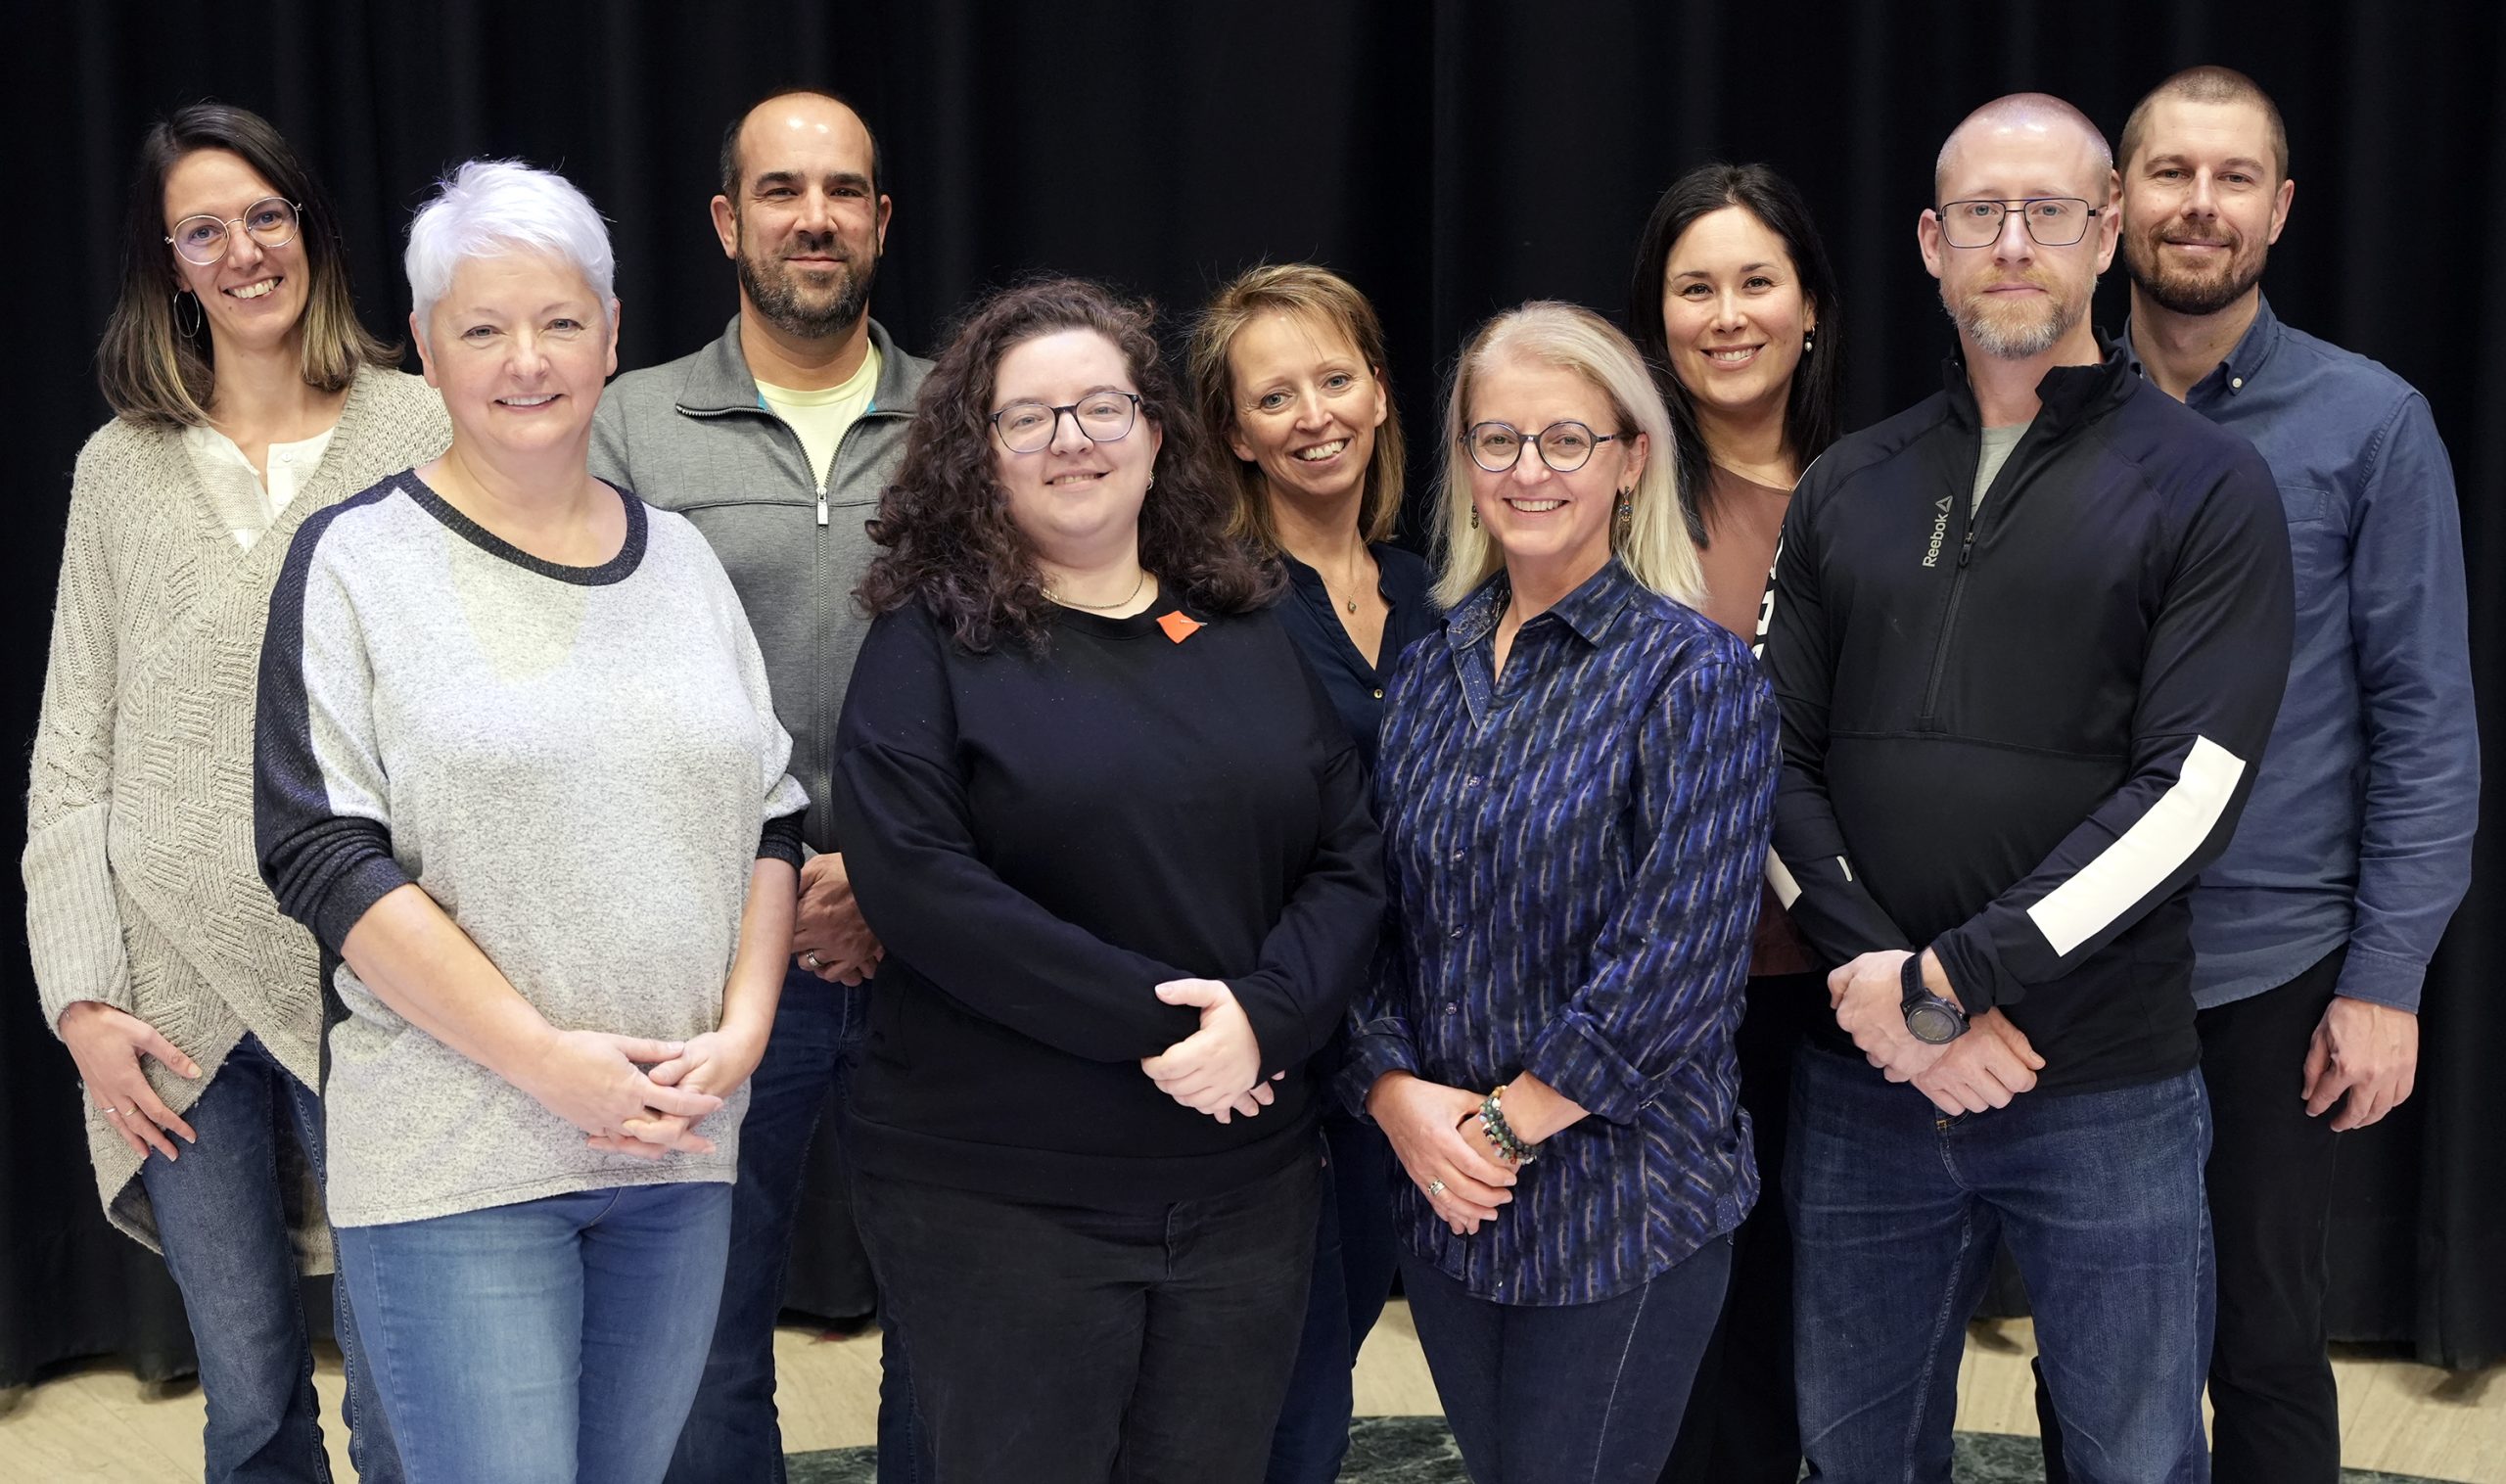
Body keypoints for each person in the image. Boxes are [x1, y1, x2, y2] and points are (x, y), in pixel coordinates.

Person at [1758, 93, 2294, 1484]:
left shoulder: (2210, 487)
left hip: (2099, 1082)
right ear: (1931, 244)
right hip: (1865, 1082)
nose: (2014, 241)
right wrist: (1889, 985)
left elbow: (2195, 790)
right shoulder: (1847, 487)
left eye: (2049, 212)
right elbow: (1766, 760)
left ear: (2104, 235)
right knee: (1855, 1458)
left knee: (2133, 1459)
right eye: (1982, 215)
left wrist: (1958, 978)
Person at [255, 159, 806, 1484]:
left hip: (676, 1151)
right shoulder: (354, 560)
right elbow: (321, 852)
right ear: (425, 352)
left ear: (612, 338)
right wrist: (552, 1064)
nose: (526, 360)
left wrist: (741, 1035)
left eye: (561, 322)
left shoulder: (678, 560)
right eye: (483, 327)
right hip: (459, 1161)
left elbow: (771, 823)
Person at [830, 276, 1384, 1483]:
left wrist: (1267, 1018)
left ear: (1156, 432)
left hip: (1244, 1188)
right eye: (1028, 418)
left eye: (1101, 407)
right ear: (977, 457)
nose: (1071, 439)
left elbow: (1350, 855)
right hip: (1006, 1197)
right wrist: (1182, 1024)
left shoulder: (1245, 623)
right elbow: (924, 891)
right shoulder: (925, 645)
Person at [2036, 67, 2477, 1484]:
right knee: (2089, 1338)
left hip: (2270, 968)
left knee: (2267, 1343)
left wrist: (2386, 980)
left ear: (2280, 210)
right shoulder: (2036, 416)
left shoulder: (2372, 424)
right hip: (2070, 961)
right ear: (2115, 207)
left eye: (2234, 179)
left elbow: (2425, 720)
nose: (2200, 207)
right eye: (2170, 174)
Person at [24, 101, 444, 1484]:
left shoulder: (416, 428)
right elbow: (72, 749)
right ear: (169, 264)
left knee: (398, 1392)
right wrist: (81, 1000)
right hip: (165, 1000)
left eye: (267, 216)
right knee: (251, 1399)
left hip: (371, 976)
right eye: (206, 229)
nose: (244, 250)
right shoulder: (120, 468)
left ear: (311, 228)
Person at [1346, 301, 1780, 1482]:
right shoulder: (1426, 666)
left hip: (1623, 1199)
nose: (1527, 470)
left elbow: (1677, 959)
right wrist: (1393, 1094)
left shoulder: (1696, 677)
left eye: (1565, 440)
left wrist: (1503, 1123)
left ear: (1630, 460)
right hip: (1447, 1194)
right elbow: (1364, 906)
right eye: (1497, 440)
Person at [587, 87, 931, 1484]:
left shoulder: (973, 418)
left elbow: (1034, 690)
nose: (815, 217)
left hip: (942, 952)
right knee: (706, 1338)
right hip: (720, 964)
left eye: (843, 190)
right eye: (782, 191)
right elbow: (601, 706)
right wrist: (783, 894)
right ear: (730, 221)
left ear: (882, 220)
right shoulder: (627, 426)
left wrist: (897, 885)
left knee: (959, 1319)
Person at [1183, 261, 1433, 1484]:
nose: (1313, 414)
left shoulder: (1442, 592)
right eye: (1273, 397)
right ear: (1233, 431)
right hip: (1279, 1053)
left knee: (1326, 1383)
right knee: (1272, 1393)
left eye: (1335, 379)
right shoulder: (1204, 608)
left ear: (1380, 395)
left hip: (1423, 1051)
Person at [1623, 162, 1844, 1484]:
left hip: (1836, 979)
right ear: (1655, 321)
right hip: (1663, 989)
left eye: (1756, 281)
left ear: (1811, 306)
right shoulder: (1608, 495)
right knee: (1688, 1328)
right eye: (1693, 287)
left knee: (1818, 1314)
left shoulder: (1883, 489)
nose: (1727, 315)